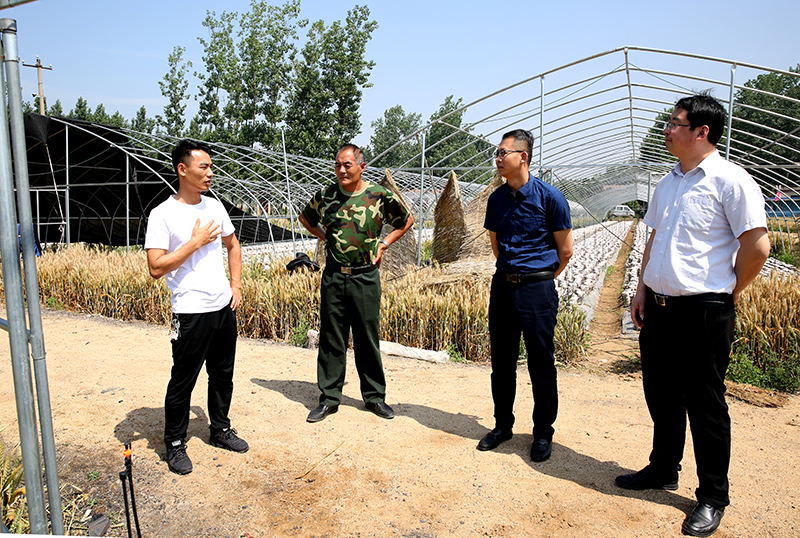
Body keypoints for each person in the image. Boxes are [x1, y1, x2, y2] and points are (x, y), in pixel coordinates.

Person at [616, 93, 770, 537]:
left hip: (703, 310)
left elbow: (757, 246)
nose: (667, 129)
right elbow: (653, 239)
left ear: (702, 131)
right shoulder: (668, 182)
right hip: (660, 307)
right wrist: (641, 289)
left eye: (674, 123)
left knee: (705, 404)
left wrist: (726, 292)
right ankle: (663, 468)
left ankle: (712, 496)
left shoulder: (731, 181)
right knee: (661, 393)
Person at [145, 139, 248, 475]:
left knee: (222, 375)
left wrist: (235, 285)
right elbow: (156, 267)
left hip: (222, 307)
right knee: (183, 380)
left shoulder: (214, 207)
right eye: (203, 167)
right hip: (190, 311)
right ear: (182, 169)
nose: (210, 173)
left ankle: (220, 429)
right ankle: (175, 443)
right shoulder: (163, 214)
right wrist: (195, 242)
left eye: (211, 167)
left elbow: (233, 245)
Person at [299, 143, 414, 423]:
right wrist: (326, 237)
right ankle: (329, 398)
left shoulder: (378, 195)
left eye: (347, 165)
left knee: (367, 338)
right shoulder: (326, 196)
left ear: (361, 166)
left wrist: (384, 244)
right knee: (332, 338)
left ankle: (374, 397)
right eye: (337, 165)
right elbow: (305, 218)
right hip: (334, 275)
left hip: (365, 276)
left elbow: (406, 220)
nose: (341, 170)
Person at [480, 129, 573, 462]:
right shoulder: (496, 199)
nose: (498, 158)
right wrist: (513, 274)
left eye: (503, 152)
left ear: (523, 157)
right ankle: (502, 425)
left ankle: (543, 433)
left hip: (537, 289)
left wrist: (539, 279)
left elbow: (565, 251)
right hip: (503, 287)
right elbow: (496, 244)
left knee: (541, 363)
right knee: (502, 362)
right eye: (496, 153)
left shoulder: (550, 198)